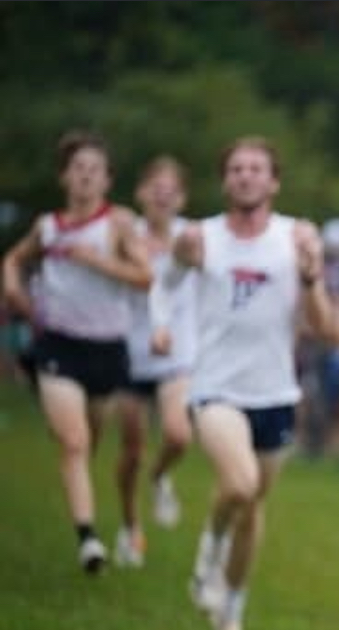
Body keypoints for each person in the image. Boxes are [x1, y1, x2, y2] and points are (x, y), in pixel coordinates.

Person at [166, 136, 336, 630]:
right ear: (224, 180)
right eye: (236, 169)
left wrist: (310, 276)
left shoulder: (296, 238)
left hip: (275, 393)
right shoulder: (201, 237)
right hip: (216, 388)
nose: (245, 176)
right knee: (237, 484)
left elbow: (324, 327)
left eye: (255, 169)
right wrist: (160, 327)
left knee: (253, 506)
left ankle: (231, 622)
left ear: (274, 181)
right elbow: (162, 284)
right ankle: (208, 550)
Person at [1, 129, 153, 574]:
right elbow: (12, 259)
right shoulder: (47, 227)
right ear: (64, 177)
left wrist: (98, 260)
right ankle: (88, 538)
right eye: (78, 169)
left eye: (95, 170)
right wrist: (14, 290)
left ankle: (92, 515)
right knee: (73, 442)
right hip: (57, 345)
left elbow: (145, 278)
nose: (86, 177)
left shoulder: (117, 225)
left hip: (107, 349)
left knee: (92, 438)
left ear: (107, 180)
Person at [113, 156, 194, 568]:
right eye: (155, 188)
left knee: (179, 435)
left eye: (171, 190)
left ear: (182, 198)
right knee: (131, 450)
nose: (162, 196)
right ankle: (130, 528)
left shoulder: (191, 238)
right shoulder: (126, 237)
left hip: (178, 354)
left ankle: (161, 477)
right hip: (130, 354)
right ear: (140, 193)